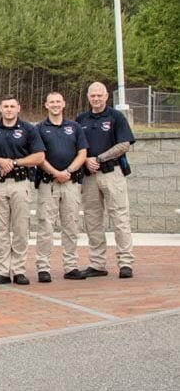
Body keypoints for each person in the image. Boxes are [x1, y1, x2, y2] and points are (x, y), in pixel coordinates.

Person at [76, 81, 136, 279]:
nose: (96, 99)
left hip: (112, 173)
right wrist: (85, 159)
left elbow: (124, 144)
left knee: (120, 218)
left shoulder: (116, 117)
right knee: (92, 220)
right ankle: (97, 263)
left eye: (99, 95)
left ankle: (125, 262)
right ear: (88, 97)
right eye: (93, 95)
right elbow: (76, 147)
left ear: (106, 96)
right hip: (89, 177)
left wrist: (99, 158)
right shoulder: (81, 119)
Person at [0, 95, 45, 285]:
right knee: (0, 229)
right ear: (0, 108)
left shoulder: (29, 129)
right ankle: (2, 270)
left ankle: (18, 269)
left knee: (20, 228)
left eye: (12, 106)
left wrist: (14, 162)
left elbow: (39, 157)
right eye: (5, 106)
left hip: (21, 183)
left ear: (19, 108)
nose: (9, 109)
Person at [35, 92, 89, 282]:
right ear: (46, 105)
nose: (55, 105)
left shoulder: (74, 127)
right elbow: (38, 156)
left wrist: (68, 171)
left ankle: (71, 266)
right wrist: (55, 173)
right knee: (45, 225)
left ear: (64, 104)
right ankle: (43, 267)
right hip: (48, 183)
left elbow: (82, 153)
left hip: (71, 183)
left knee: (71, 225)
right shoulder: (40, 128)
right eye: (52, 102)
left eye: (58, 101)